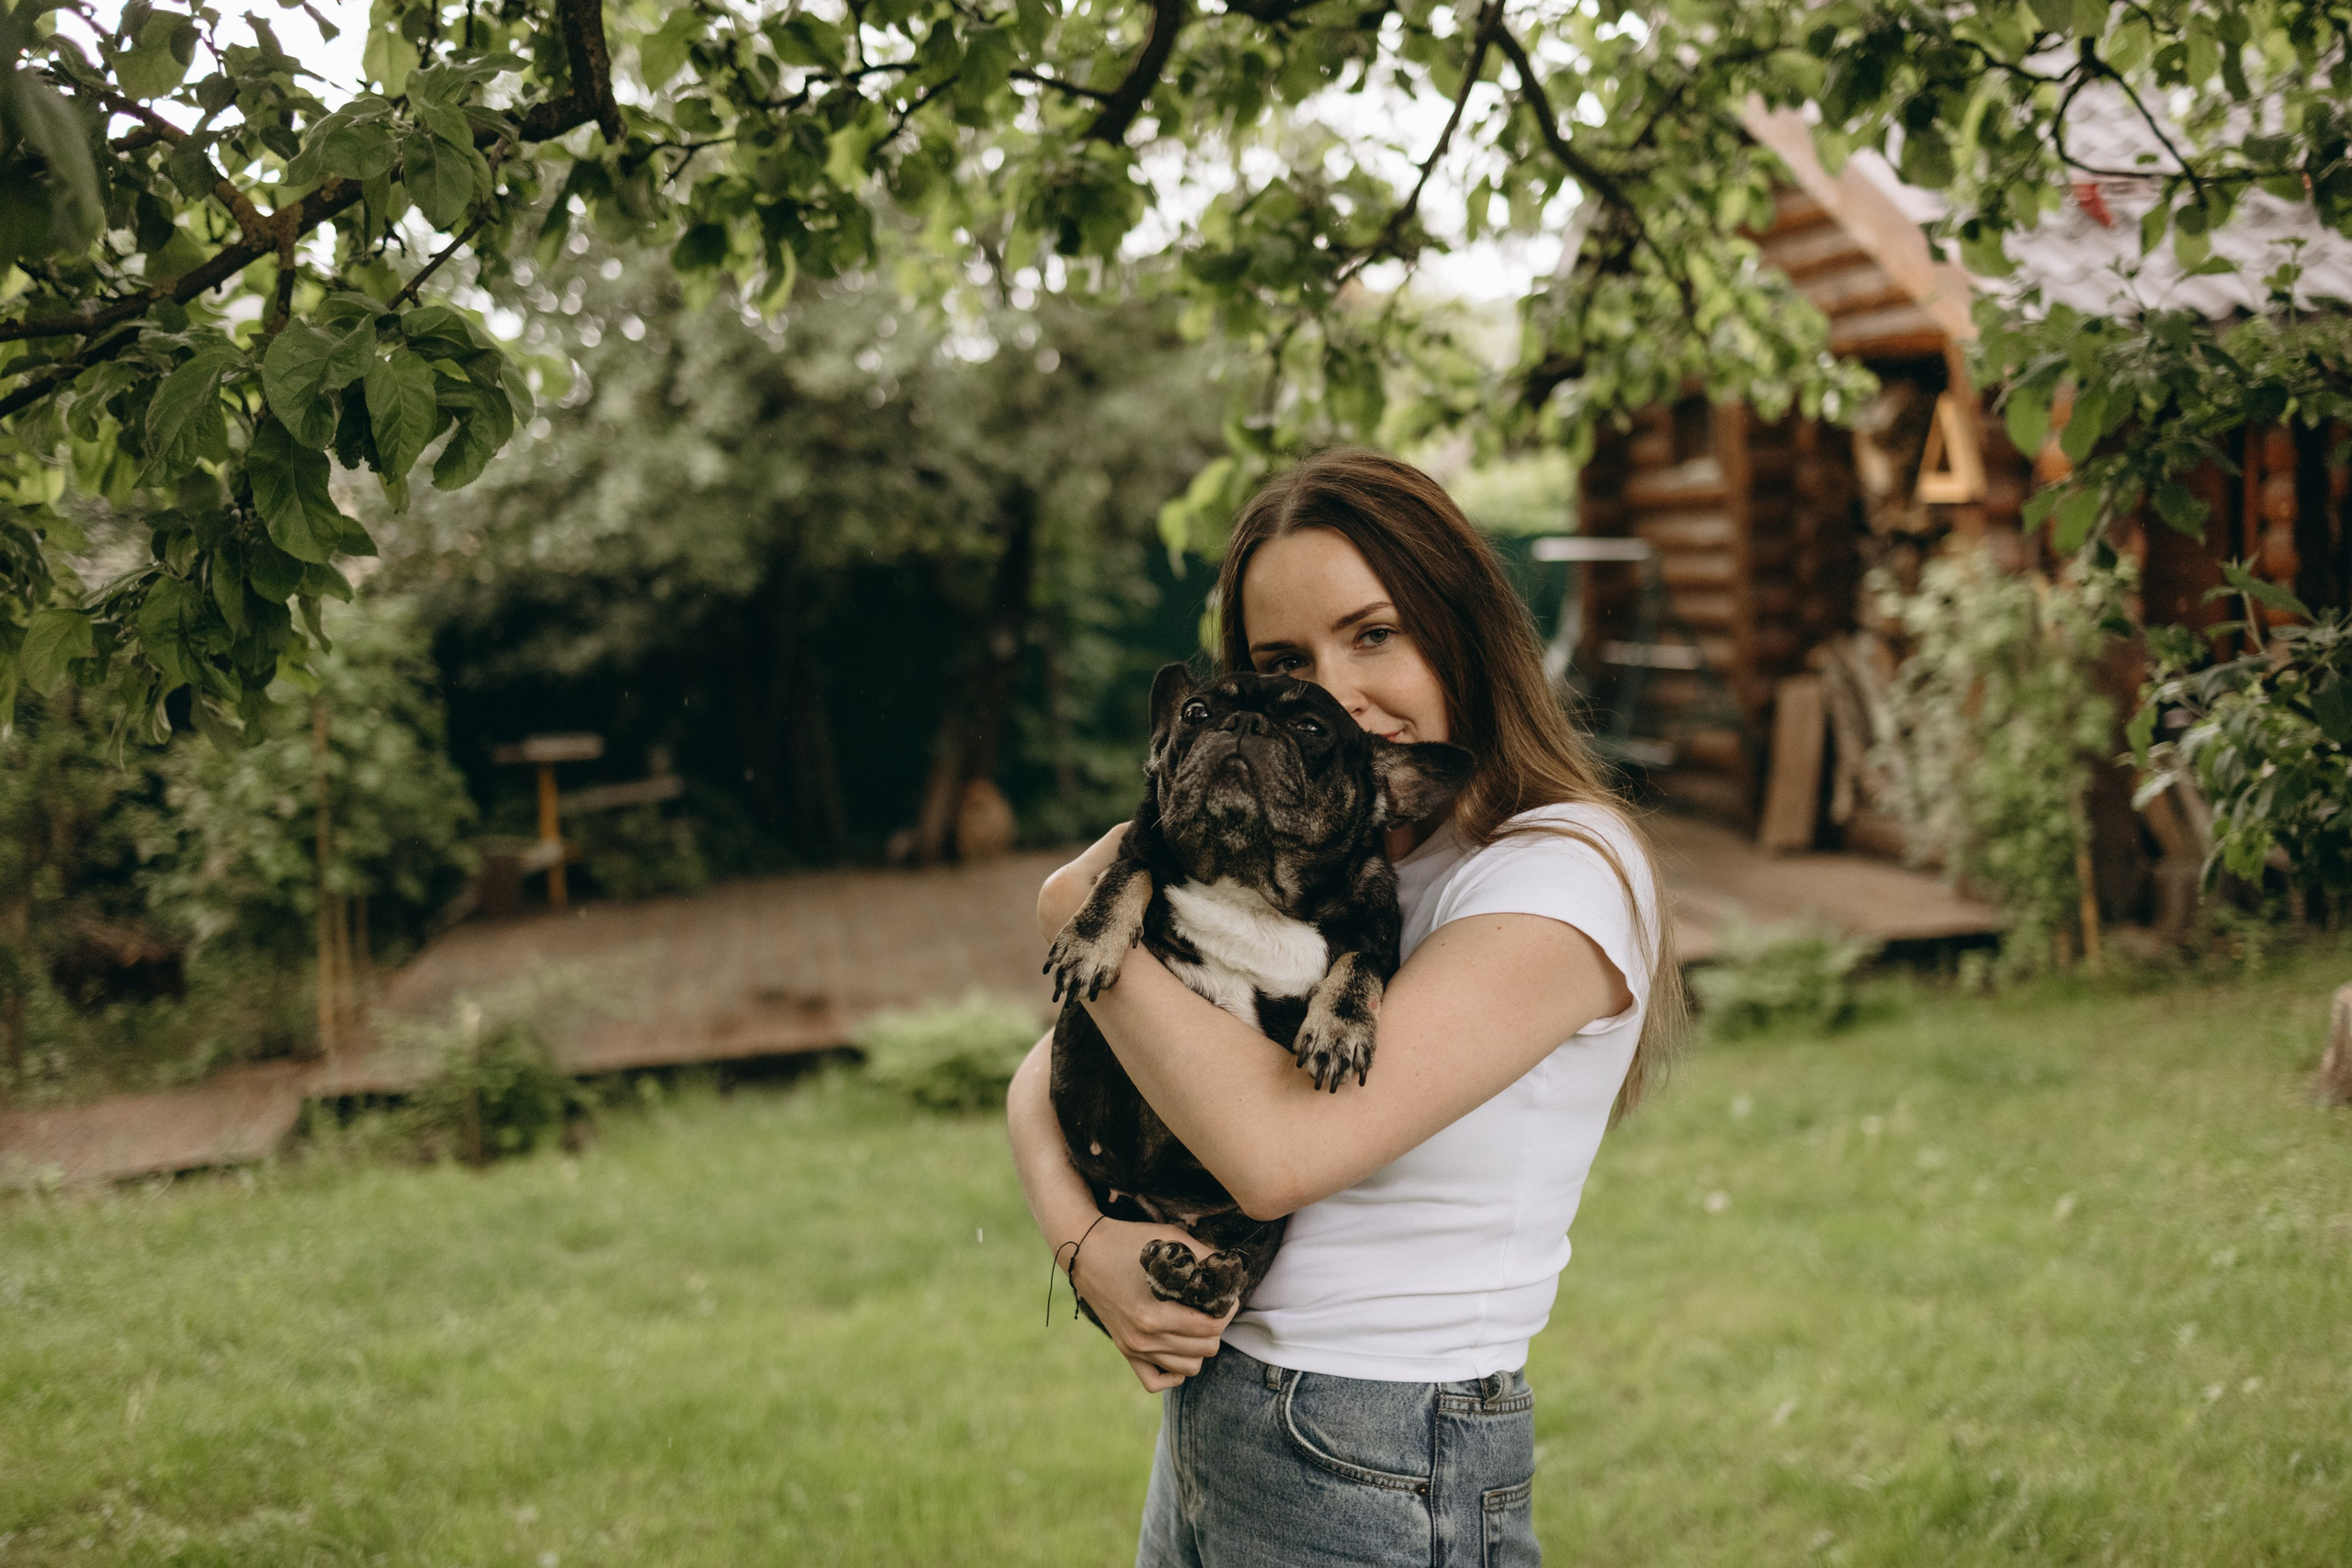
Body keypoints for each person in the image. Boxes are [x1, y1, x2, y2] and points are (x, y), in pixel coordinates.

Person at [1006, 447, 1685, 1567]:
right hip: (1224, 1418)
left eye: (1374, 634)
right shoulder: (1327, 864)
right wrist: (1084, 1246)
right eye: (1283, 661)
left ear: (1458, 627)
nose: (1335, 695)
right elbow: (1051, 1066)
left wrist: (1076, 901)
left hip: (1375, 1448)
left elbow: (1274, 1154)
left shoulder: (1559, 873)